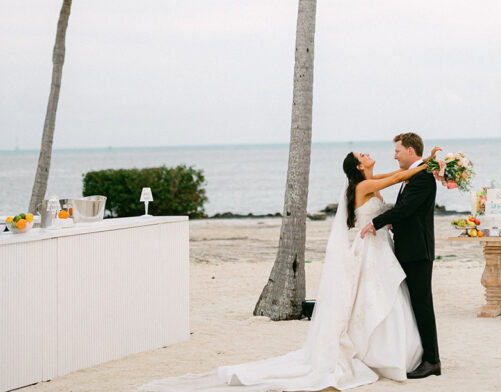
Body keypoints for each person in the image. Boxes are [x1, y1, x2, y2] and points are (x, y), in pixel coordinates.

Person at [138, 143, 441, 392]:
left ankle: (396, 352)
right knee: (373, 299)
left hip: (379, 248)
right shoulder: (366, 185)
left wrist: (422, 164)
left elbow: (394, 174)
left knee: (382, 299)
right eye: (362, 155)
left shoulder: (369, 181)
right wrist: (434, 165)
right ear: (360, 167)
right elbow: (395, 179)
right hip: (370, 248)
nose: (367, 153)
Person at [360, 133, 440, 379]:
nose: (394, 155)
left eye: (397, 151)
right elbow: (406, 210)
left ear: (410, 151)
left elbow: (406, 209)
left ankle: (432, 361)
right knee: (413, 303)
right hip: (408, 249)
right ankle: (420, 355)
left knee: (422, 304)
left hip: (418, 251)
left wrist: (377, 222)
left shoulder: (423, 178)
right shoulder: (415, 175)